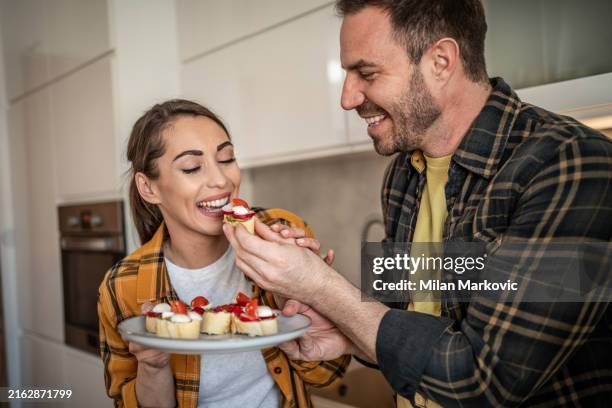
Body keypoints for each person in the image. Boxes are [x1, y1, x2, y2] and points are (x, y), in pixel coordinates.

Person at [223, 0, 612, 407]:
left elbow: (482, 382)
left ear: (441, 61)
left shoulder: (568, 164)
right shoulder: (404, 174)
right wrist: (345, 336)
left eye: (366, 73)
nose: (348, 97)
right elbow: (405, 326)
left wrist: (321, 287)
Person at [97, 99, 350, 408]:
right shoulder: (122, 286)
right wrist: (153, 366)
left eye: (226, 158)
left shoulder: (282, 233)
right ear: (148, 188)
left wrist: (305, 290)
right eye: (191, 167)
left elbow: (329, 373)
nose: (221, 180)